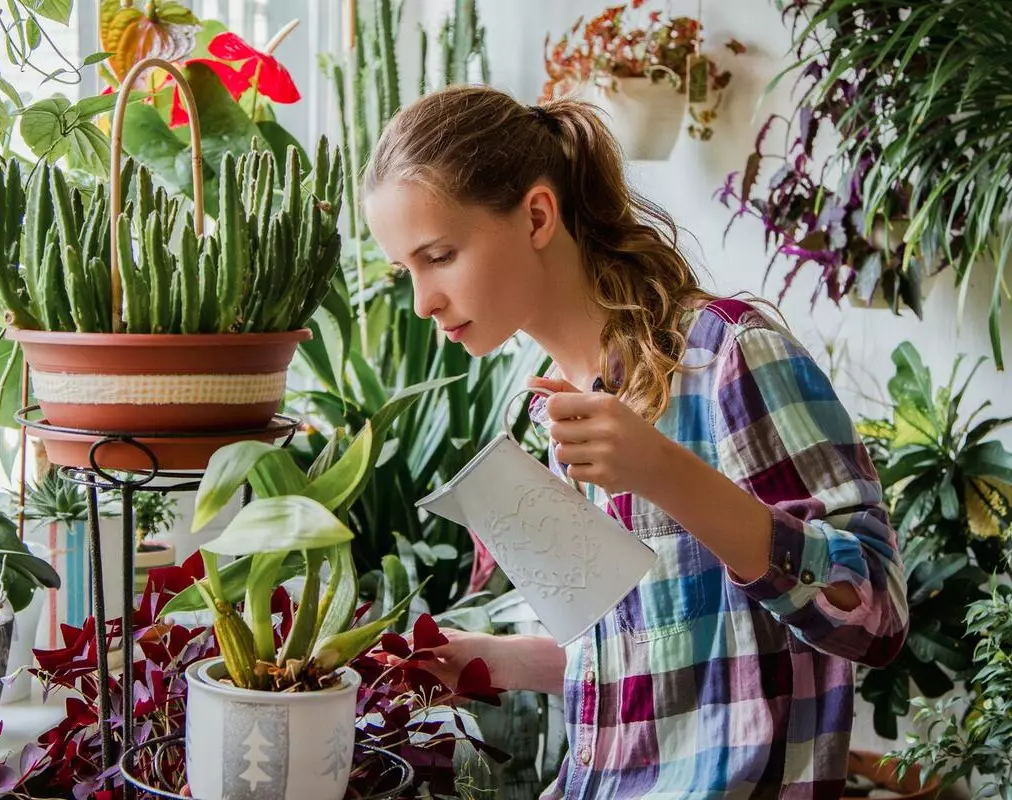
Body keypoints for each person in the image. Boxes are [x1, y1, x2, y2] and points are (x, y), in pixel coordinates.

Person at [363, 84, 908, 799]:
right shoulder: (549, 413)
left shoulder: (729, 356)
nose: (422, 301)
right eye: (406, 270)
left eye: (439, 255)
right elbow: (657, 656)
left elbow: (875, 615)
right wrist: (491, 661)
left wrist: (664, 472)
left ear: (536, 216)